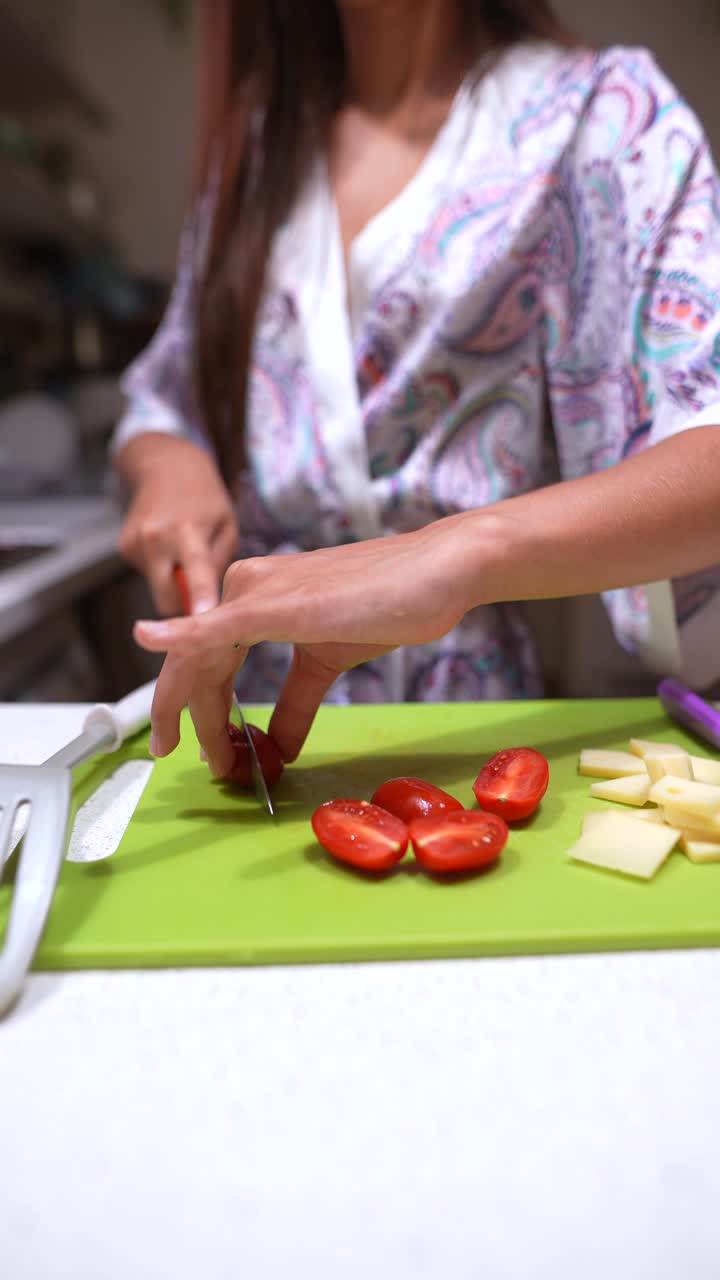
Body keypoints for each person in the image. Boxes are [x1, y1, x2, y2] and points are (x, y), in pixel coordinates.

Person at [114, 0, 720, 780]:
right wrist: (169, 464)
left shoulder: (604, 116)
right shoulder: (263, 150)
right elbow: (162, 399)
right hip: (247, 717)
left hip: (465, 727)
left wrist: (459, 552)